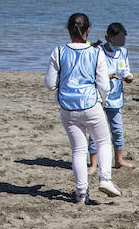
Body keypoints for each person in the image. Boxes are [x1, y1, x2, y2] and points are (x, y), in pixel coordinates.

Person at [47, 12, 124, 204]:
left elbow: (49, 83)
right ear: (88, 30)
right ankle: (105, 179)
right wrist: (102, 98)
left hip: (67, 107)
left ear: (68, 29)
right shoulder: (96, 52)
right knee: (104, 142)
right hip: (91, 104)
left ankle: (81, 193)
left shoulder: (58, 51)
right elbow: (104, 84)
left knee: (78, 151)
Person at [87, 22, 136, 173]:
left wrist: (128, 77)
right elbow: (91, 74)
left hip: (116, 99)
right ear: (107, 38)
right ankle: (94, 164)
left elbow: (126, 69)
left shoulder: (123, 52)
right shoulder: (98, 52)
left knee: (117, 130)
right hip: (99, 99)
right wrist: (107, 76)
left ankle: (119, 160)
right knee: (95, 131)